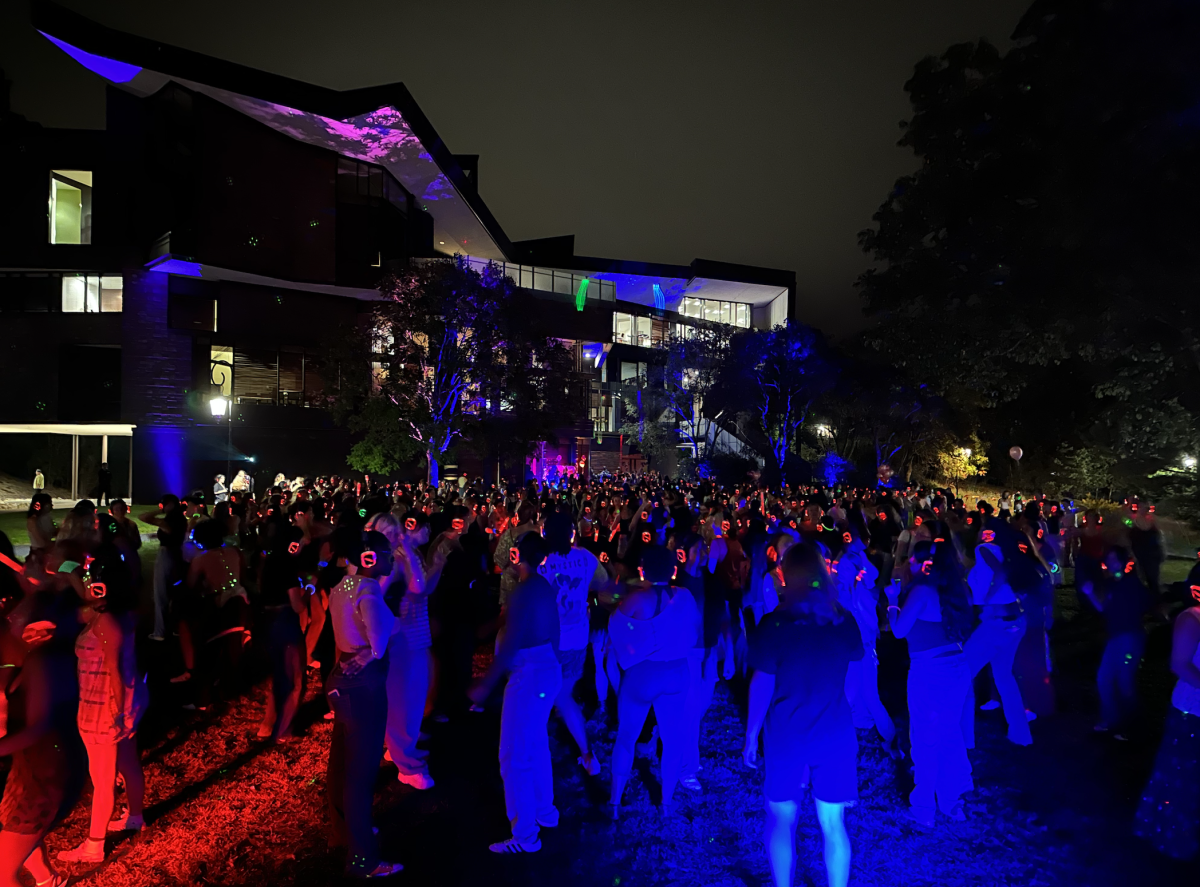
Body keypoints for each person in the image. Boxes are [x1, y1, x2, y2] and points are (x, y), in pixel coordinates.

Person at [744, 542, 862, 887]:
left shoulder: (774, 624)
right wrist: (840, 707)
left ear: (786, 575)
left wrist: (751, 736)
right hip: (834, 733)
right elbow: (854, 679)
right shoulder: (844, 621)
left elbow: (761, 686)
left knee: (781, 819)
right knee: (833, 822)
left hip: (786, 734)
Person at [469, 532, 561, 853]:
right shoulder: (545, 587)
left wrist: (485, 686)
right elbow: (556, 634)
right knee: (535, 744)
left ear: (517, 554)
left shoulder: (523, 592)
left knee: (514, 755)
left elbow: (509, 648)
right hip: (548, 669)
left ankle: (525, 835)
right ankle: (545, 811)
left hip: (530, 675)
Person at [57, 553, 148, 863]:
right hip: (121, 703)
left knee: (102, 779)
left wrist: (119, 713)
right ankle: (135, 816)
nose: (87, 582)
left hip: (103, 708)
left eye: (92, 578)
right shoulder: (115, 611)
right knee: (128, 763)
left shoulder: (107, 620)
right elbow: (84, 599)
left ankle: (94, 846)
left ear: (104, 586)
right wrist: (67, 569)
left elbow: (115, 671)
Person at [324, 531, 402, 878]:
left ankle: (344, 833)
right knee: (360, 775)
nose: (391, 558)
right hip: (362, 690)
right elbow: (380, 641)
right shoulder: (369, 591)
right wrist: (371, 654)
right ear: (370, 557)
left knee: (340, 765)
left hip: (340, 684)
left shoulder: (342, 586)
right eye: (386, 552)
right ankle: (362, 860)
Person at [0, 591, 86, 887]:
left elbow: (39, 726)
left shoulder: (43, 660)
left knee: (2, 872)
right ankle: (48, 880)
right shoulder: (44, 657)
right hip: (36, 769)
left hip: (47, 773)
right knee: (18, 837)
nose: (12, 618)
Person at [887, 540, 974, 826]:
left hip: (930, 668)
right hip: (957, 665)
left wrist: (891, 602)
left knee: (926, 734)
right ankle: (952, 802)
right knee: (949, 731)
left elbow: (899, 631)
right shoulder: (959, 589)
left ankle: (924, 806)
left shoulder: (923, 591)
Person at [607, 546, 699, 818]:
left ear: (642, 570)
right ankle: (667, 803)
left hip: (643, 674)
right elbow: (693, 631)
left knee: (626, 736)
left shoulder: (636, 600)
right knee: (672, 739)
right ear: (673, 570)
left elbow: (617, 630)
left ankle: (614, 803)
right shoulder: (686, 596)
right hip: (676, 672)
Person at [367, 511, 437, 790]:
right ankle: (406, 763)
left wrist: (407, 550)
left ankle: (401, 747)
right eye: (387, 533)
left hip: (415, 635)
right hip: (400, 638)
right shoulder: (384, 562)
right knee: (402, 700)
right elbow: (409, 590)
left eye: (396, 532)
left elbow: (421, 588)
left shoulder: (404, 555)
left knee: (413, 697)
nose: (396, 537)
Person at [537, 511, 608, 777]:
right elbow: (602, 583)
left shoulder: (539, 561)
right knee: (562, 693)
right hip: (576, 638)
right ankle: (588, 755)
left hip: (547, 639)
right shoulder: (585, 558)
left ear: (545, 532)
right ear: (572, 532)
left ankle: (535, 750)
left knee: (547, 694)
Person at [1136, 582, 1200, 859]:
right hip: (1191, 712)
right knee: (1181, 779)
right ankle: (1171, 836)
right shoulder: (1192, 619)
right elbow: (1179, 664)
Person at [962, 528, 1032, 746]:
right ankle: (1021, 735)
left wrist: (988, 599)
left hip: (997, 621)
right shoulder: (997, 551)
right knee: (1003, 675)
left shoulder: (984, 548)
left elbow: (1000, 573)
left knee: (962, 671)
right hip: (1015, 621)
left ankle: (964, 737)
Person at [1081, 548, 1154, 739]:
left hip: (1130, 638)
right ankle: (1112, 720)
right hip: (1116, 638)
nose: (1110, 563)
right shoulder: (1114, 583)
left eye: (1114, 559)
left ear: (1122, 562)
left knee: (1124, 682)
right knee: (1104, 678)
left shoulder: (1131, 584)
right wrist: (1090, 593)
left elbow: (1146, 603)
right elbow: (1104, 609)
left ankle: (1132, 727)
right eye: (1108, 559)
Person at [255, 528, 307, 742]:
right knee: (295, 680)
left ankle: (267, 725)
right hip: (285, 622)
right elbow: (297, 606)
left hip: (267, 621)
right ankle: (283, 729)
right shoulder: (287, 566)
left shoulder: (268, 563)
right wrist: (308, 591)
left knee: (279, 676)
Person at [141, 496, 187, 642]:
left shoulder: (170, 521)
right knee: (176, 592)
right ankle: (176, 628)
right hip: (178, 554)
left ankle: (160, 631)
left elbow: (144, 517)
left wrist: (160, 510)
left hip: (166, 555)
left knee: (161, 593)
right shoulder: (181, 519)